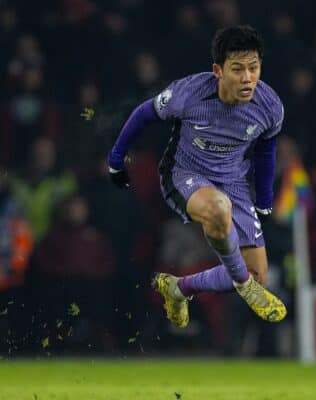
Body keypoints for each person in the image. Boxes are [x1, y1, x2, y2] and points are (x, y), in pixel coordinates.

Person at [107, 25, 286, 328]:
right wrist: (115, 160)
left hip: (235, 183)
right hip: (185, 174)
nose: (247, 78)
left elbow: (266, 149)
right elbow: (143, 114)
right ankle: (244, 286)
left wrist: (265, 201)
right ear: (218, 70)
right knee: (219, 211)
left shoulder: (269, 106)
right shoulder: (188, 93)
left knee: (260, 275)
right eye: (238, 69)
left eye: (254, 68)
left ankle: (178, 288)